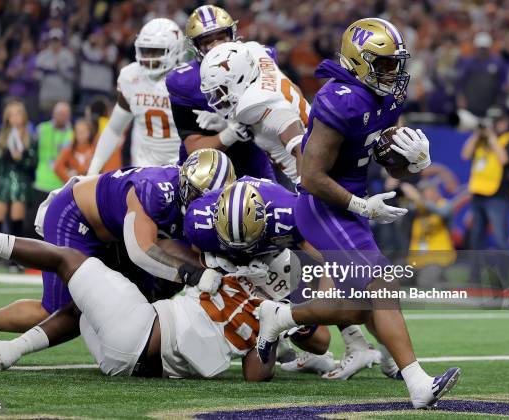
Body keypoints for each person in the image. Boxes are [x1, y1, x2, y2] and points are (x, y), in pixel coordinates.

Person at [255, 18, 459, 409]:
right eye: (383, 64)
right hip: (321, 205)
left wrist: (414, 164)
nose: (393, 73)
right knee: (382, 283)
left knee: (355, 307)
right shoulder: (340, 99)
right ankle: (417, 383)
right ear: (358, 61)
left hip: (351, 204)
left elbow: (387, 159)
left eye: (396, 63)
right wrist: (362, 205)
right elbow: (311, 177)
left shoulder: (387, 96)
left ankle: (278, 317)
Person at [0, 190, 278, 381]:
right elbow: (255, 373)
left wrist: (275, 326)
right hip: (128, 366)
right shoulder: (264, 301)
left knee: (69, 260)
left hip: (141, 331)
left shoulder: (241, 277)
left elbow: (165, 250)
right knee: (83, 305)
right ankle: (9, 351)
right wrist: (272, 330)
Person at [0, 149, 235, 366]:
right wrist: (189, 273)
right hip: (76, 217)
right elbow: (140, 249)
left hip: (110, 236)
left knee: (102, 303)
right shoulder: (158, 191)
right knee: (57, 307)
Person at [186, 178, 383, 377]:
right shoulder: (199, 220)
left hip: (276, 259)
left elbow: (330, 259)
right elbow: (196, 252)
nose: (244, 248)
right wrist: (213, 268)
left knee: (319, 341)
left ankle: (362, 347)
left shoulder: (288, 213)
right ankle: (278, 339)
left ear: (264, 218)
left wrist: (324, 303)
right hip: (232, 267)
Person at [165, 5, 275, 181]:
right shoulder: (183, 82)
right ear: (196, 46)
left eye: (221, 37)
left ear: (232, 35)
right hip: (204, 171)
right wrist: (229, 133)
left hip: (253, 162)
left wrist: (231, 122)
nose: (216, 46)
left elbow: (273, 123)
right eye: (208, 41)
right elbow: (194, 147)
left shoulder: (257, 58)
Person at [199, 42, 308, 185]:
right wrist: (228, 123)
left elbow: (303, 147)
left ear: (238, 80)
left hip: (314, 176)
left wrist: (306, 192)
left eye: (220, 91)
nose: (218, 98)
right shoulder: (255, 63)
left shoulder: (261, 105)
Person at [87, 18, 185, 174]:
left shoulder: (188, 79)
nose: (150, 58)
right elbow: (114, 128)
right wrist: (93, 170)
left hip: (182, 168)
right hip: (144, 169)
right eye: (146, 50)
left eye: (157, 51)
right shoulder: (131, 76)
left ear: (176, 50)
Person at [461, 113, 509, 252]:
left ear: (506, 122)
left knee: (500, 238)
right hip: (478, 193)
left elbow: (503, 159)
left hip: (499, 195)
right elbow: (465, 155)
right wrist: (476, 134)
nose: (498, 125)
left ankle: (504, 274)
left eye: (500, 122)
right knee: (476, 239)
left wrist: (492, 136)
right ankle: (476, 274)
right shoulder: (481, 139)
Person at [0, 100, 36, 256]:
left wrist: (20, 159)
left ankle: (17, 259)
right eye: (11, 114)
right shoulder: (1, 137)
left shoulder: (30, 138)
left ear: (24, 116)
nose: (15, 118)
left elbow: (33, 164)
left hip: (20, 182)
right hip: (2, 181)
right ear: (7, 118)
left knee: (17, 221)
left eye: (18, 114)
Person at [401, 181, 456, 288]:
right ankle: (439, 278)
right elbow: (404, 210)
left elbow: (443, 212)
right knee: (395, 278)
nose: (427, 196)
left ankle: (443, 282)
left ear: (437, 193)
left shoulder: (445, 205)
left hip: (437, 258)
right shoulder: (417, 208)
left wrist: (419, 199)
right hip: (416, 259)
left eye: (430, 192)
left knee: (425, 283)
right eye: (424, 193)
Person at [33, 102, 73, 207]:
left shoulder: (73, 135)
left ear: (69, 116)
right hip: (40, 182)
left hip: (61, 185)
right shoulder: (41, 129)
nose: (61, 116)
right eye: (59, 113)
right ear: (53, 113)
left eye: (65, 114)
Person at [35, 28, 76, 118]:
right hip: (47, 95)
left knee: (63, 121)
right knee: (46, 120)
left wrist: (59, 69)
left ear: (61, 41)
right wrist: (45, 72)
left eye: (57, 40)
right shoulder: (42, 56)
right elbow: (37, 76)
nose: (55, 43)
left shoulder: (68, 56)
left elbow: (72, 77)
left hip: (63, 95)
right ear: (49, 41)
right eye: (53, 40)